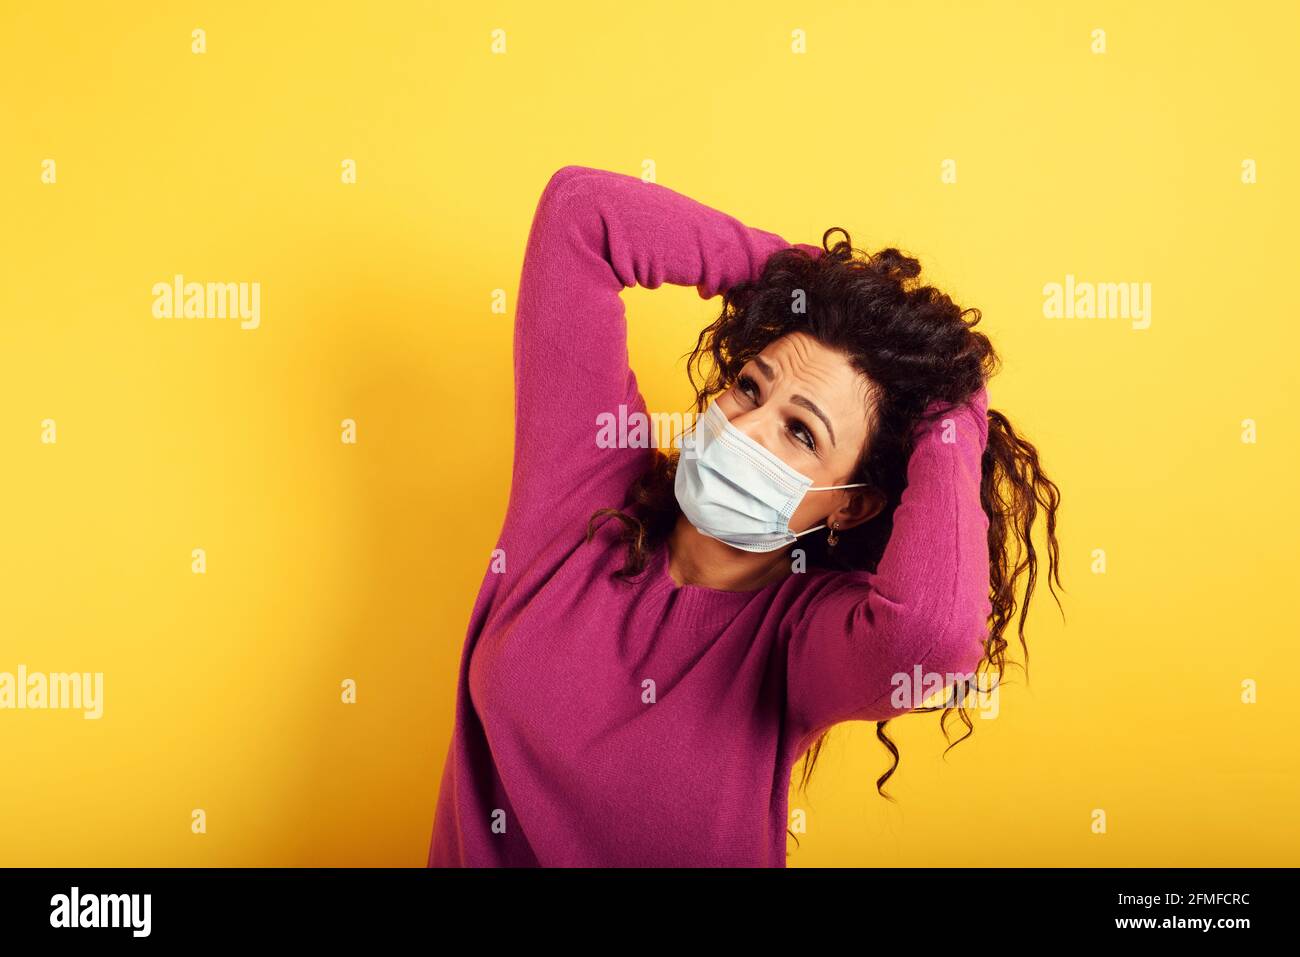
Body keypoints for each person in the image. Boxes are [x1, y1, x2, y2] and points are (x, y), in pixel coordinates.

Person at [429, 165, 1062, 867]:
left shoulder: (801, 638)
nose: (744, 426)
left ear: (850, 504)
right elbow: (582, 214)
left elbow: (934, 637)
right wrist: (806, 280)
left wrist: (954, 403)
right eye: (751, 388)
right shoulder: (584, 495)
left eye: (801, 433)